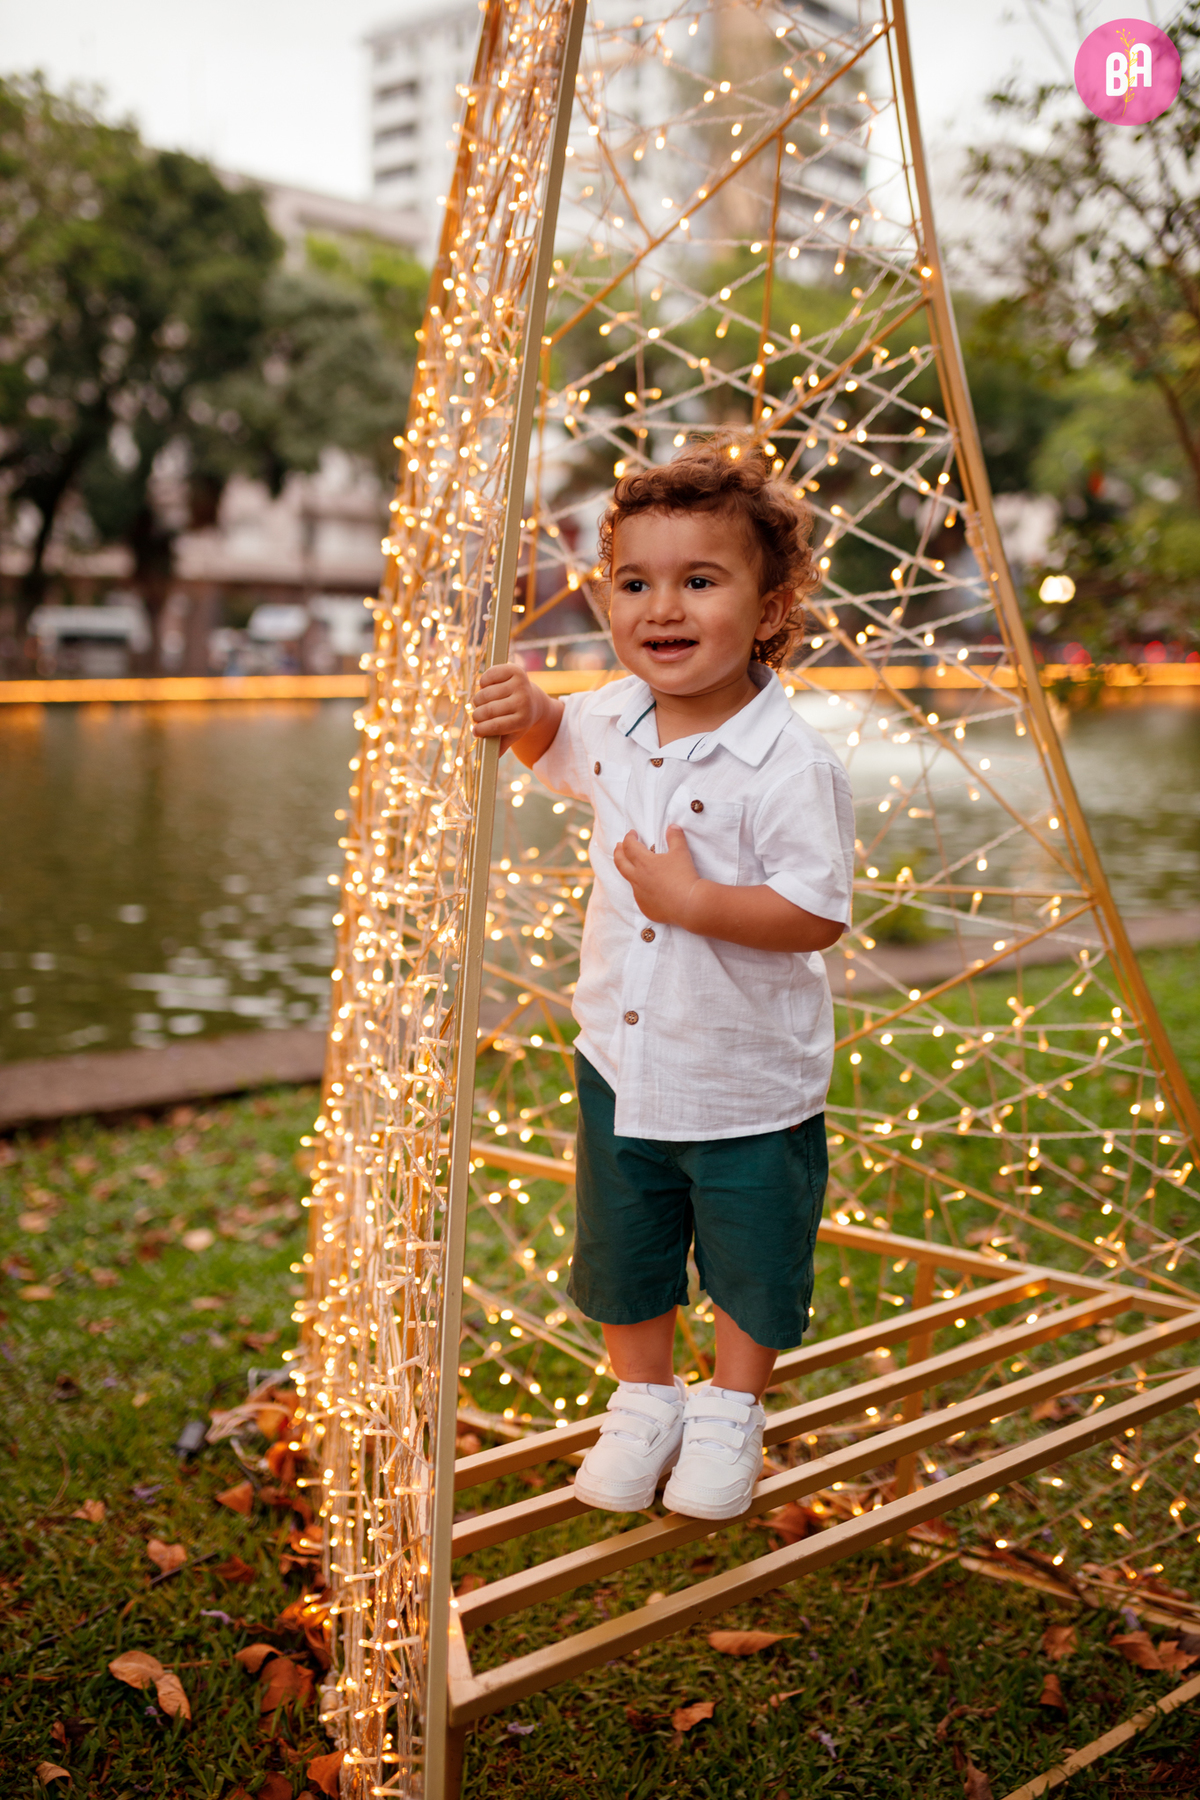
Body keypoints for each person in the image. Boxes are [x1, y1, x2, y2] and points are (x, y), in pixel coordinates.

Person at [470, 432, 854, 1521]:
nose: (662, 608)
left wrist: (696, 904)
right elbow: (555, 747)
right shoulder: (608, 718)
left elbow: (816, 912)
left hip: (744, 1080)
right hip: (621, 1057)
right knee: (624, 1250)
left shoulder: (790, 764)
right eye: (635, 583)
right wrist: (528, 713)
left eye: (699, 581)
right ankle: (644, 1400)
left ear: (771, 608)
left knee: (751, 1258)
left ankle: (732, 1409)